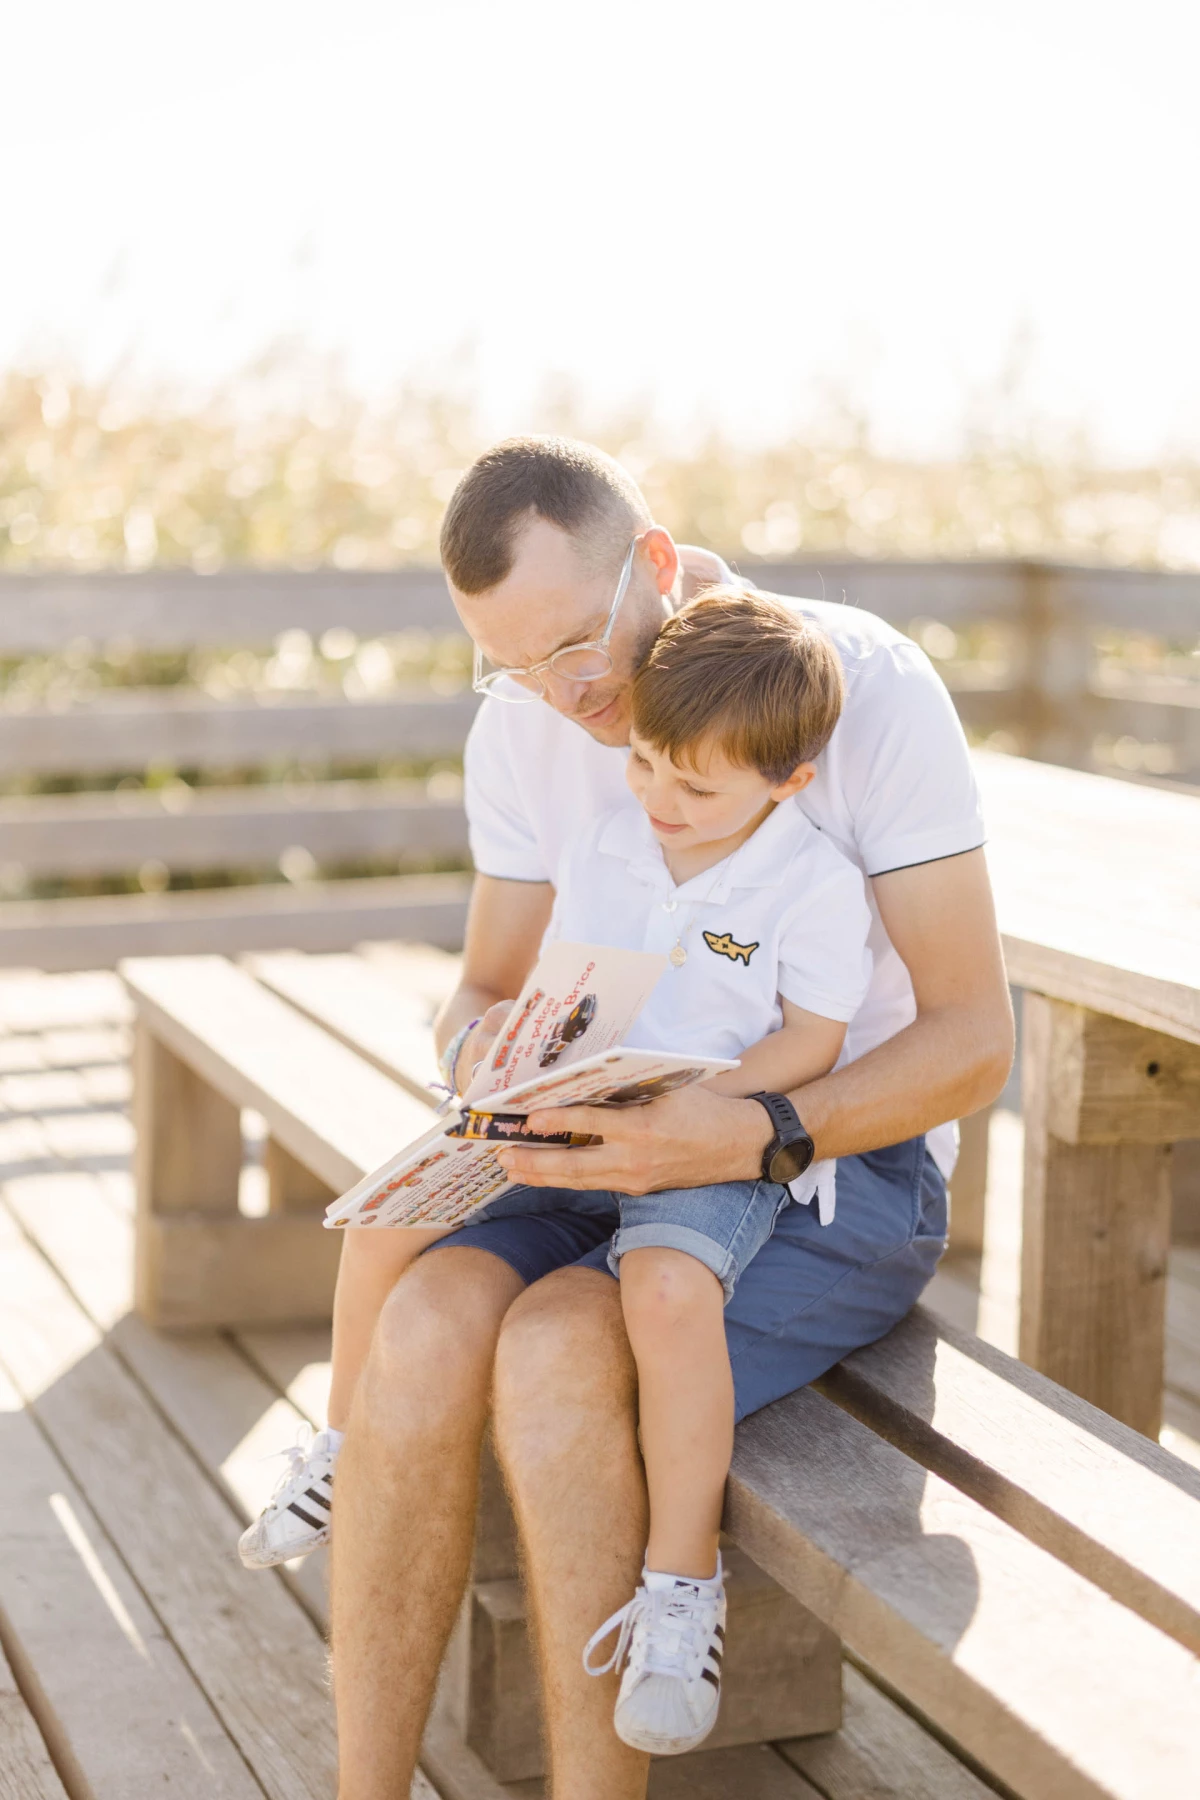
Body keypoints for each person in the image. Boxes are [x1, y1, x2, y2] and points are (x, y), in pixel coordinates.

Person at [330, 436, 1014, 1800]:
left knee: (557, 1350)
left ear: (654, 564)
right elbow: (478, 984)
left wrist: (754, 1134)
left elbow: (972, 1044)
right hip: (598, 1150)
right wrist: (486, 1062)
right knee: (418, 1319)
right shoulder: (525, 722)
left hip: (826, 1168)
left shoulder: (859, 690)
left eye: (576, 646)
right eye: (511, 665)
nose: (559, 694)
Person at [241, 590, 873, 1762]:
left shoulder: (815, 884)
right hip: (584, 1112)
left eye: (697, 790)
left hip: (707, 1132)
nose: (660, 804)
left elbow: (814, 1043)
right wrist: (511, 1056)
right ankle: (340, 1449)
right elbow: (567, 984)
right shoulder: (610, 841)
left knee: (667, 1298)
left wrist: (707, 1107)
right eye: (644, 765)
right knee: (385, 1218)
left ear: (786, 783)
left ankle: (681, 1588)